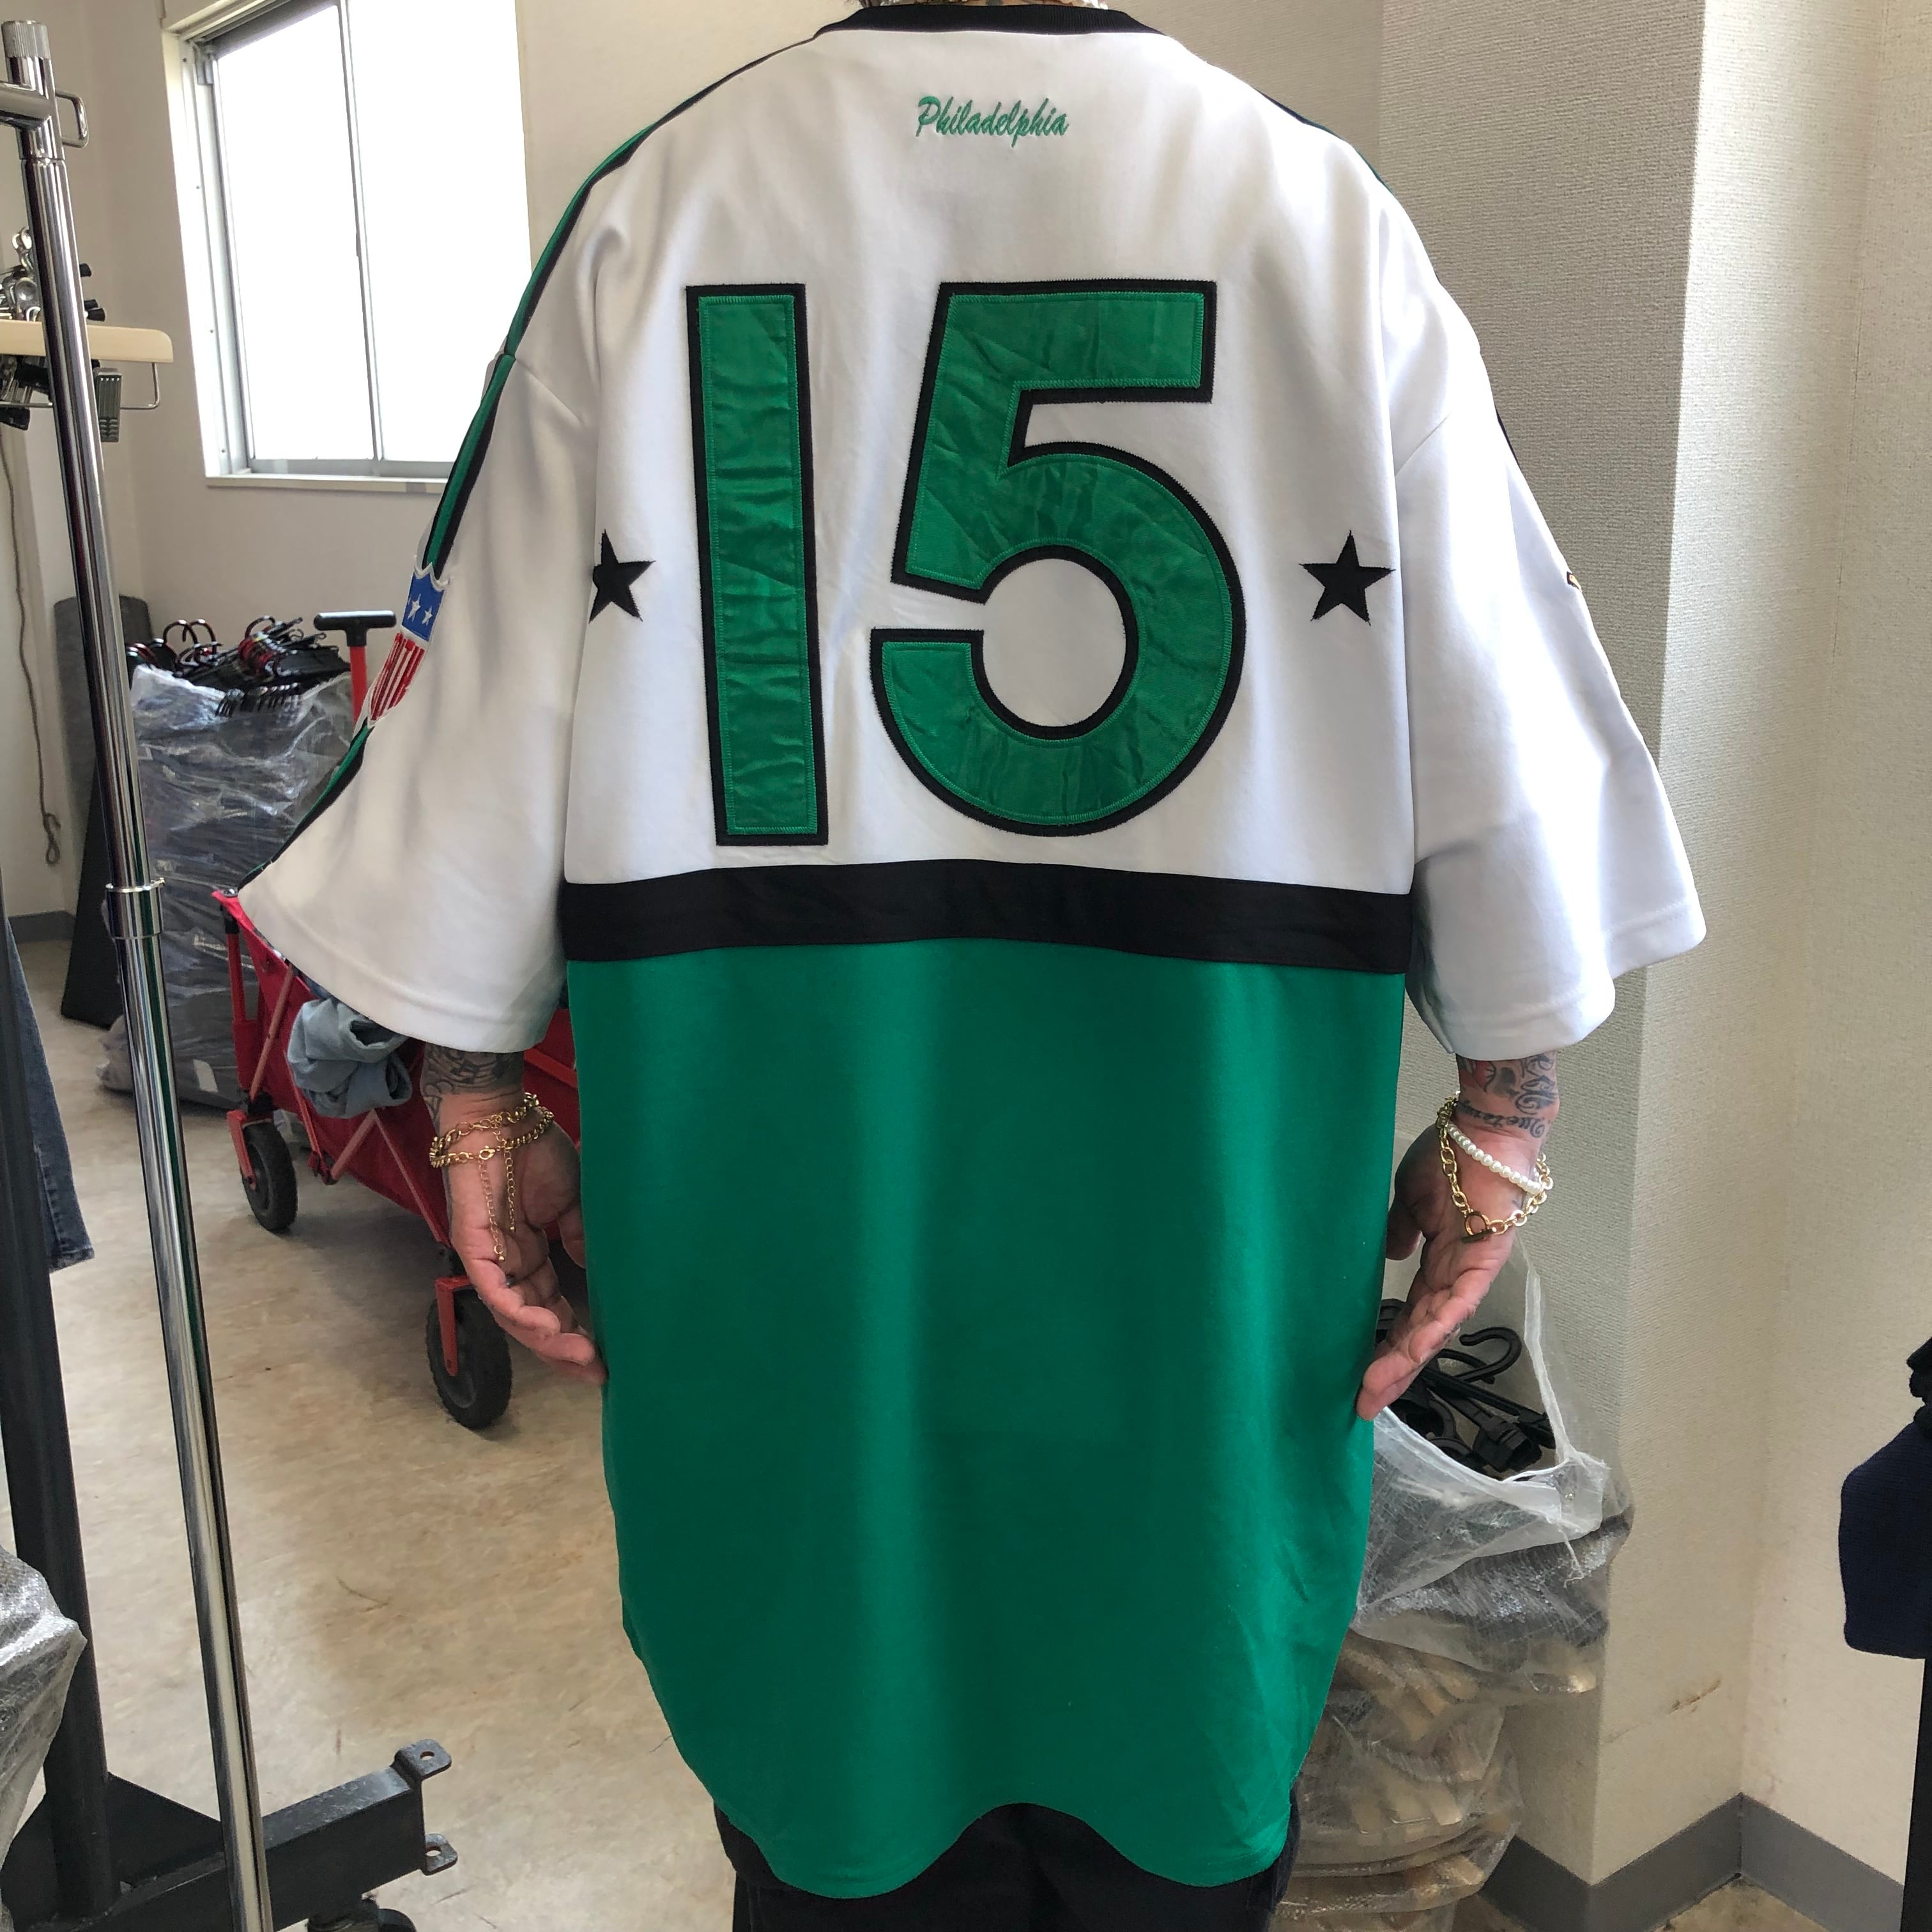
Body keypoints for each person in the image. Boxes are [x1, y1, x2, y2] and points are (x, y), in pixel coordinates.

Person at [240, 1, 1703, 1926]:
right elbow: (1514, 774)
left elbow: (481, 746)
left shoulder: (661, 206)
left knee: (831, 1810)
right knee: (1177, 1789)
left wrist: (474, 1101)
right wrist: (1504, 1120)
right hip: (1197, 1299)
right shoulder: (1316, 214)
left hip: (793, 1288)